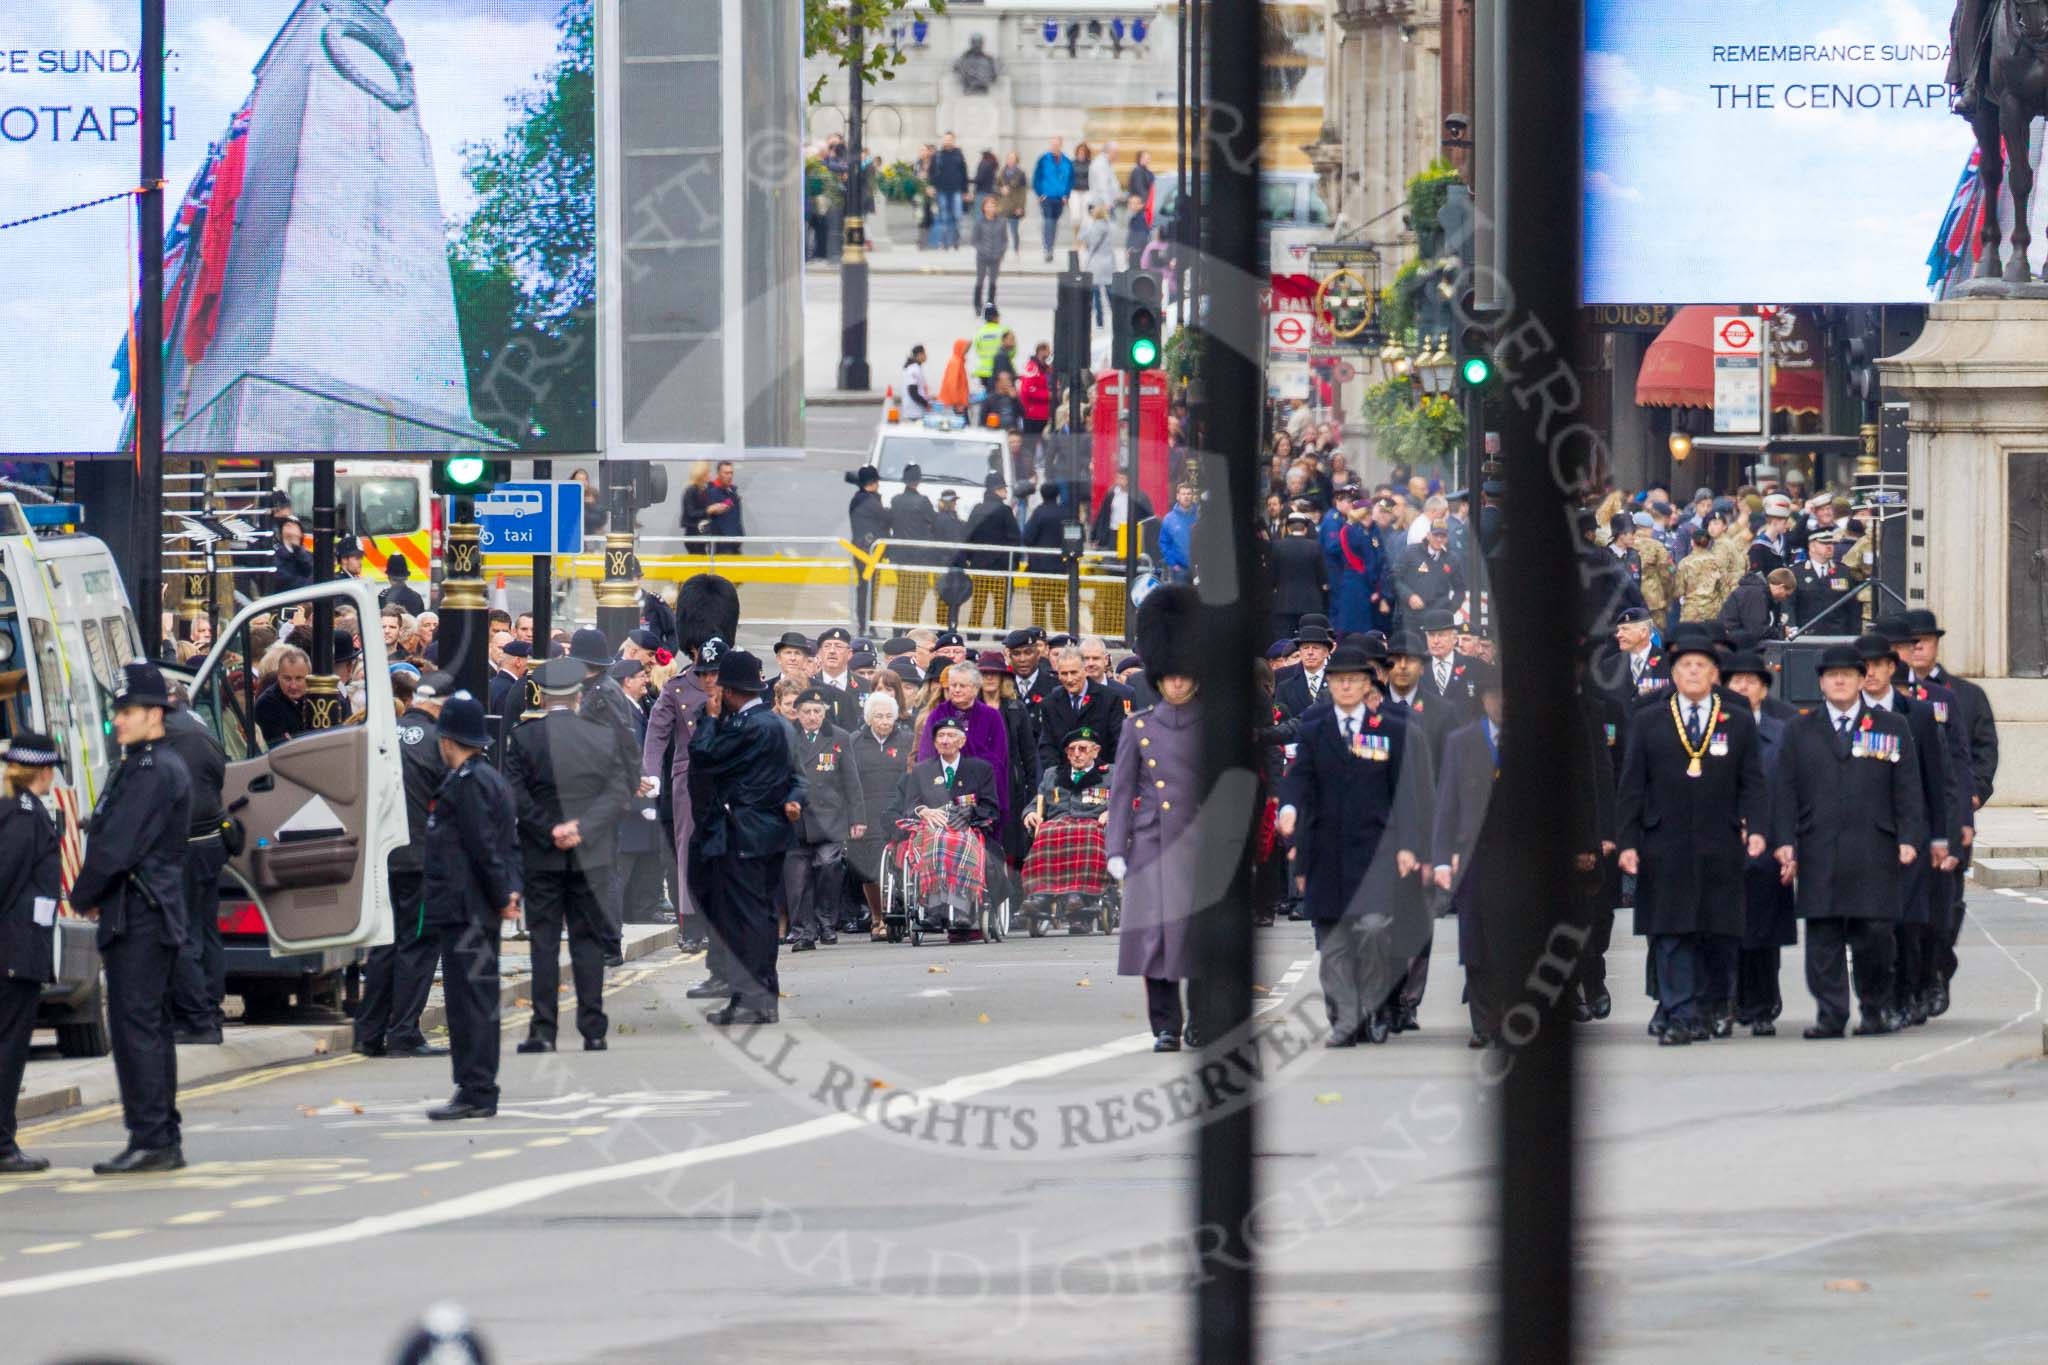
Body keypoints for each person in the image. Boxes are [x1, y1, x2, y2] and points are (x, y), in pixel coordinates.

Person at [67, 663, 191, 1172]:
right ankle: (159, 1132)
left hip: (140, 911)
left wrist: (83, 894)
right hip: (145, 908)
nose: (117, 720)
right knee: (149, 1027)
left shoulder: (150, 770)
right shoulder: (148, 763)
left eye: (127, 711)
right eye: (117, 711)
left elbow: (118, 845)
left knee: (136, 1028)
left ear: (154, 714)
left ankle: (152, 1136)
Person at [1277, 643, 1434, 1047]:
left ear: (1368, 685)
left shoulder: (1392, 729)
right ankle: (1344, 1019)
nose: (1345, 688)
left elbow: (1407, 792)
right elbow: (1298, 777)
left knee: (1373, 930)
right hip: (1325, 849)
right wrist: (1290, 808)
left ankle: (1374, 1004)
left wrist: (1409, 845)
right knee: (1333, 942)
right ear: (1328, 686)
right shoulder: (1315, 728)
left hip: (1376, 849)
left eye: (1353, 681)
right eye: (1338, 681)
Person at [1617, 634, 1768, 1045]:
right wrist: (1627, 842)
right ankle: (1679, 1012)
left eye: (1701, 665)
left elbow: (1753, 782)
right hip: (1664, 842)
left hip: (1719, 841)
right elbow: (1632, 785)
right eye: (1685, 665)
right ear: (1673, 672)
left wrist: (1756, 829)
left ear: (1715, 673)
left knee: (1717, 931)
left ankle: (1709, 1006)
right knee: (1670, 932)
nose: (1693, 672)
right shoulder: (1650, 719)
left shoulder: (1735, 718)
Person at [1772, 645, 1926, 1038]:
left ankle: (1874, 1007)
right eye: (1831, 675)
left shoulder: (1892, 726)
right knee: (1822, 935)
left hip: (1874, 846)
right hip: (1818, 845)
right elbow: (1784, 790)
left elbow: (1908, 788)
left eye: (1848, 674)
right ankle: (1830, 1013)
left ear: (1862, 680)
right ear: (1821, 682)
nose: (1839, 681)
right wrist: (1785, 841)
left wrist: (1909, 837)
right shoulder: (1799, 729)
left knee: (1874, 933)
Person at [506, 658, 632, 1054]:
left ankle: (543, 1030)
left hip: (542, 855)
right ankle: (593, 1028)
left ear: (542, 697)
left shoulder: (524, 737)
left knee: (543, 942)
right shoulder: (600, 735)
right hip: (590, 853)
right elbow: (616, 792)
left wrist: (550, 829)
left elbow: (515, 793)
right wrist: (583, 828)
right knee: (588, 941)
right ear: (579, 694)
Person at [1107, 587, 1203, 1052]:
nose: (1177, 685)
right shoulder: (1137, 725)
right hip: (1152, 844)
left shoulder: (1214, 723)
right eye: (1170, 678)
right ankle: (1165, 1024)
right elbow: (1122, 792)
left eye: (1185, 677)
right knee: (1155, 944)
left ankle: (1202, 1019)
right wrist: (1115, 851)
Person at [421, 693, 522, 1120]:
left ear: (448, 739)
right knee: (473, 1000)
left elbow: (483, 848)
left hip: (467, 909)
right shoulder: (488, 779)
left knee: (470, 1003)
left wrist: (502, 896)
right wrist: (509, 891)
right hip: (471, 907)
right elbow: (508, 846)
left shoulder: (469, 784)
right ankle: (475, 1086)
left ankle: (477, 1089)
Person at [690, 650, 801, 1024]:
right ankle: (761, 996)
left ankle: (750, 1000)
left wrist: (709, 720)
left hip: (744, 834)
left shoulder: (751, 726)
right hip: (768, 833)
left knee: (745, 921)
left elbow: (705, 756)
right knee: (762, 918)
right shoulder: (777, 723)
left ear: (733, 690)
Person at [1896, 606, 1996, 1014]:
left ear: (1937, 645)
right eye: (1909, 642)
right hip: (1905, 817)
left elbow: (1978, 753)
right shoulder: (1884, 696)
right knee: (1907, 909)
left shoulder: (1963, 695)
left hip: (1950, 812)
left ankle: (1937, 971)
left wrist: (1972, 799)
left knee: (1944, 907)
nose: (1917, 648)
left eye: (1925, 640)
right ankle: (1911, 980)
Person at [355, 672, 452, 1059]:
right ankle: (403, 1032)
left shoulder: (385, 735)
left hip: (383, 858)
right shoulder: (438, 744)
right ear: (441, 705)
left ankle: (368, 1033)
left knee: (383, 945)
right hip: (421, 859)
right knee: (419, 944)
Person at [0, 735, 64, 1175]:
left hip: (17, 948)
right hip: (13, 950)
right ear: (43, 771)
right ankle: (2, 1143)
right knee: (7, 1050)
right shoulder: (23, 816)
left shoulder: (20, 811)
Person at [162, 687, 229, 1045]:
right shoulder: (202, 726)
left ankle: (196, 1018)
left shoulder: (167, 731)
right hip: (212, 839)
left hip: (183, 841)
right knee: (206, 929)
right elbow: (220, 776)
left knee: (183, 931)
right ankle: (212, 1011)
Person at [784, 686, 866, 951]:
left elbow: (851, 782)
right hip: (795, 819)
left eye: (817, 711)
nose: (812, 716)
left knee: (829, 866)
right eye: (806, 711)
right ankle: (803, 930)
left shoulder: (839, 737)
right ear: (797, 713)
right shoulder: (786, 736)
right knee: (797, 879)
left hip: (830, 819)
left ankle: (827, 923)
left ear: (824, 713)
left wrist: (858, 819)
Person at [848, 690, 915, 938]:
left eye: (889, 716)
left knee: (892, 868)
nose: (885, 721)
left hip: (896, 811)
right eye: (879, 716)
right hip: (865, 814)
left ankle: (895, 916)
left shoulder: (907, 740)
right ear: (868, 719)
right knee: (868, 871)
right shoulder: (853, 741)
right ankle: (877, 917)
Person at [959, 472, 1021, 630]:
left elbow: (967, 535)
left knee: (978, 604)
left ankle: (974, 634)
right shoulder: (1005, 511)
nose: (1006, 492)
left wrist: (969, 558)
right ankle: (999, 635)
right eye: (1003, 488)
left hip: (980, 566)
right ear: (997, 490)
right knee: (1001, 605)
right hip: (1001, 568)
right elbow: (1015, 539)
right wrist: (1014, 563)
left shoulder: (977, 509)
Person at [890, 463, 939, 622]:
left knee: (903, 592)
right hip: (919, 557)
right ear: (918, 480)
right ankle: (912, 624)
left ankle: (897, 626)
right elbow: (934, 522)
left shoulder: (896, 500)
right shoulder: (923, 501)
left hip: (900, 556)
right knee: (918, 592)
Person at [1790, 530, 1854, 631]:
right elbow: (1789, 604)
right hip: (1806, 633)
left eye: (1831, 543)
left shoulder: (1843, 571)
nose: (1829, 546)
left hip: (1837, 634)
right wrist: (1792, 627)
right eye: (1824, 543)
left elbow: (1852, 606)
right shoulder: (1796, 572)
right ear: (1812, 546)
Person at [253, 644, 311, 747]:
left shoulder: (314, 697)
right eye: (287, 679)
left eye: (299, 679)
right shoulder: (267, 705)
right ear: (278, 676)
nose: (293, 686)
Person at [1031, 135, 1075, 261]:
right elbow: (1036, 178)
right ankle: (1048, 248)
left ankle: (1051, 245)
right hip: (1047, 196)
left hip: (1060, 198)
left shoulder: (1066, 161)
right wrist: (1040, 193)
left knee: (1054, 222)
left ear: (1060, 145)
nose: (1054, 147)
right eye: (1052, 144)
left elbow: (1071, 179)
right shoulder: (1043, 160)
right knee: (1048, 221)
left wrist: (1066, 195)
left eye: (1057, 144)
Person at [927, 131, 968, 250]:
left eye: (950, 139)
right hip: (941, 190)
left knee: (957, 216)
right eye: (945, 139)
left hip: (956, 190)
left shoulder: (959, 155)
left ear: (953, 141)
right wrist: (931, 186)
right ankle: (945, 242)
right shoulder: (938, 155)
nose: (947, 141)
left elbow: (964, 173)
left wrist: (965, 191)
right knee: (943, 217)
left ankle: (955, 241)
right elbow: (931, 172)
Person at [1078, 205, 1117, 324]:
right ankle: (1116, 315)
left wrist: (1085, 225)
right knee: (1109, 290)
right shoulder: (1111, 225)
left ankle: (1100, 319)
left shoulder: (1093, 227)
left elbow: (1082, 238)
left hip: (1096, 261)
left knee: (1096, 293)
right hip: (1109, 260)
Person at [972, 195, 1007, 314]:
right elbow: (974, 240)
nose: (991, 208)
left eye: (993, 206)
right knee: (980, 280)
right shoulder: (979, 221)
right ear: (984, 208)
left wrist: (1001, 252)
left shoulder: (1001, 222)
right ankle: (977, 304)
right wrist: (982, 249)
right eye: (988, 206)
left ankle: (990, 305)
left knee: (993, 282)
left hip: (996, 256)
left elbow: (1004, 239)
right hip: (982, 255)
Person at [1159, 481, 1199, 583]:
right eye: (1183, 494)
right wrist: (1173, 564)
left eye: (1189, 493)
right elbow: (1164, 543)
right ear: (1178, 496)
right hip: (1179, 570)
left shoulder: (1200, 517)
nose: (1186, 497)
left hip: (1199, 570)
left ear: (1193, 496)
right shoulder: (1169, 519)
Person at [848, 463, 889, 556]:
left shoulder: (857, 498)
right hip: (869, 550)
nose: (878, 485)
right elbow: (886, 518)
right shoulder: (869, 501)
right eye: (877, 482)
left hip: (860, 547)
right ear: (872, 483)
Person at [997, 150, 1029, 253]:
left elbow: (1023, 192)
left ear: (1016, 161)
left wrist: (1021, 207)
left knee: (1014, 230)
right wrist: (1001, 190)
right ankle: (1001, 249)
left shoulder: (1021, 174)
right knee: (1001, 230)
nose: (1010, 161)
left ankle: (1016, 250)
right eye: (1009, 158)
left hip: (1015, 206)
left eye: (1013, 159)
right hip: (1003, 205)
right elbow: (996, 186)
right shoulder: (1002, 172)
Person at [271, 517, 313, 593]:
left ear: (301, 533)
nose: (290, 526)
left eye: (294, 524)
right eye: (286, 524)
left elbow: (312, 572)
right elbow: (283, 579)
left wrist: (298, 550)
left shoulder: (309, 556)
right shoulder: (275, 555)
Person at [900, 345, 933, 420]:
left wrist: (928, 398)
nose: (926, 356)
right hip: (914, 412)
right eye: (924, 354)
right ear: (919, 355)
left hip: (916, 411)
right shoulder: (913, 369)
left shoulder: (915, 368)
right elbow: (912, 392)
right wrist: (926, 404)